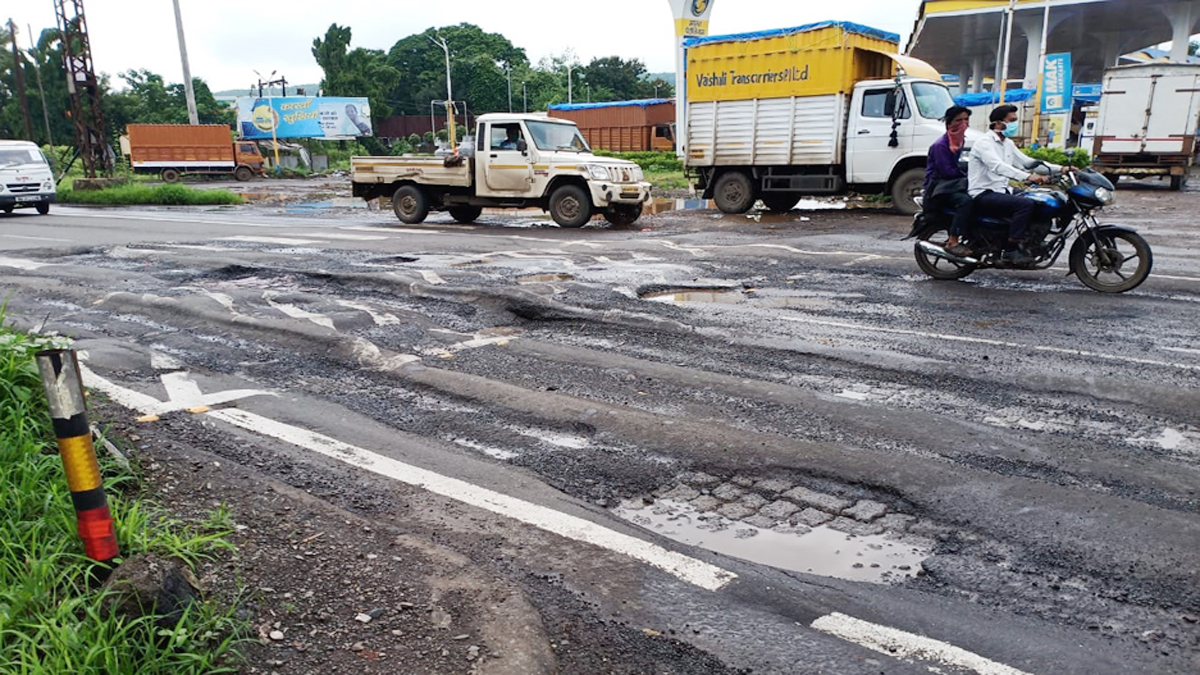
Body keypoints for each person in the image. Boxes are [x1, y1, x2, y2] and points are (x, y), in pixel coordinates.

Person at [968, 104, 1063, 266]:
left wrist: (1061, 169)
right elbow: (998, 166)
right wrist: (1028, 177)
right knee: (1024, 205)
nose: (1015, 124)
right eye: (1012, 120)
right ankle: (1011, 250)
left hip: (1003, 190)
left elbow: (1028, 163)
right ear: (998, 123)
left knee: (1039, 200)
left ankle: (1029, 242)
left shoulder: (1008, 144)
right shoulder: (984, 143)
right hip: (983, 192)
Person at [925, 105, 974, 257]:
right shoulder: (940, 145)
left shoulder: (960, 141)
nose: (963, 123)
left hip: (953, 185)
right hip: (939, 188)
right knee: (965, 201)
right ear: (949, 124)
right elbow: (948, 172)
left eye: (966, 120)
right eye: (959, 120)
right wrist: (968, 177)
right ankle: (953, 240)